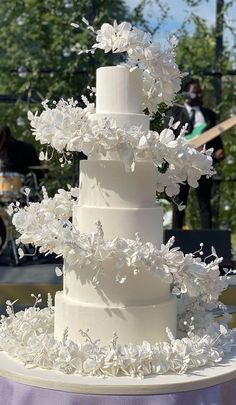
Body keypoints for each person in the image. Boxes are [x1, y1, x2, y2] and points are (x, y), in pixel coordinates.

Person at [164, 78, 224, 229]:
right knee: (179, 203)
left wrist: (218, 151)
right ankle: (177, 237)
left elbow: (216, 137)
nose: (199, 95)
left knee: (205, 204)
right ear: (186, 94)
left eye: (200, 92)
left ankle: (208, 236)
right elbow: (167, 137)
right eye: (195, 92)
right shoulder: (174, 113)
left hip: (202, 164)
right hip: (180, 165)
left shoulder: (209, 114)